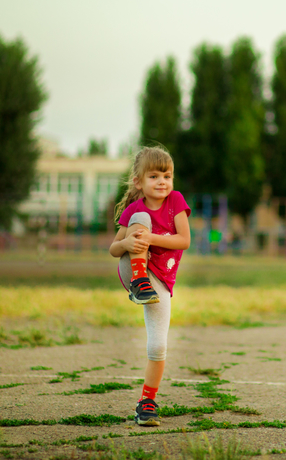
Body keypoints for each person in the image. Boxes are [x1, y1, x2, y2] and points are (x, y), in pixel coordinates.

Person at [109, 146, 191, 426]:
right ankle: (139, 284)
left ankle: (147, 402)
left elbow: (183, 240)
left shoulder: (176, 201)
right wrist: (127, 243)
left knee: (158, 347)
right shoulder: (135, 209)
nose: (162, 182)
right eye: (154, 176)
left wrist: (151, 239)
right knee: (140, 220)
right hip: (132, 271)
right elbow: (113, 249)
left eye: (167, 176)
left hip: (160, 282)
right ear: (139, 182)